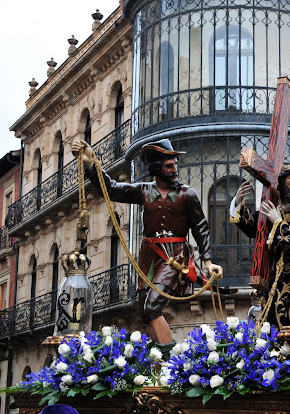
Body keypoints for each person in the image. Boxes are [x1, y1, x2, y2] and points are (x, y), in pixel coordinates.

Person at [72, 139, 223, 356]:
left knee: (152, 307)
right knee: (144, 310)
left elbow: (201, 227)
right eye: (169, 166)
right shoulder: (143, 191)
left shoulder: (188, 194)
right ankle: (159, 359)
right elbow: (112, 189)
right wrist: (91, 164)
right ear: (156, 168)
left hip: (175, 258)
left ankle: (170, 363)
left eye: (175, 165)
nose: (174, 170)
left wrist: (207, 261)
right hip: (149, 258)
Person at [230, 164, 290, 328]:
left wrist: (278, 223)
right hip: (272, 279)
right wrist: (237, 202)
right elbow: (254, 228)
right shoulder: (275, 202)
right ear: (282, 181)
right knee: (269, 328)